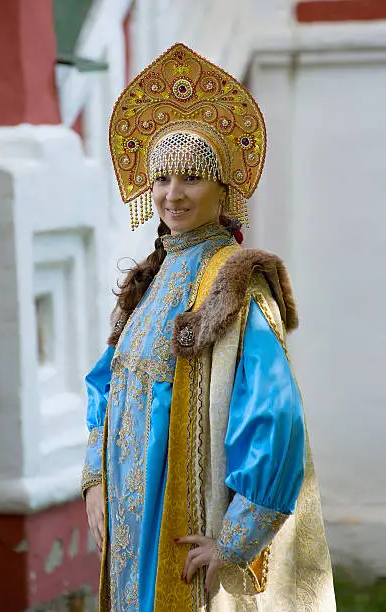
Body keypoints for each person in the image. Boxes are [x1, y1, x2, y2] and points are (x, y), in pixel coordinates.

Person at [81, 43, 335, 612]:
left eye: (192, 178)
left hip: (188, 517)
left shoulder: (237, 283)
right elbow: (105, 383)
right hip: (127, 512)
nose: (173, 195)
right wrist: (96, 479)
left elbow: (273, 414)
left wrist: (236, 537)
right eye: (162, 178)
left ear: (225, 189)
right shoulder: (150, 280)